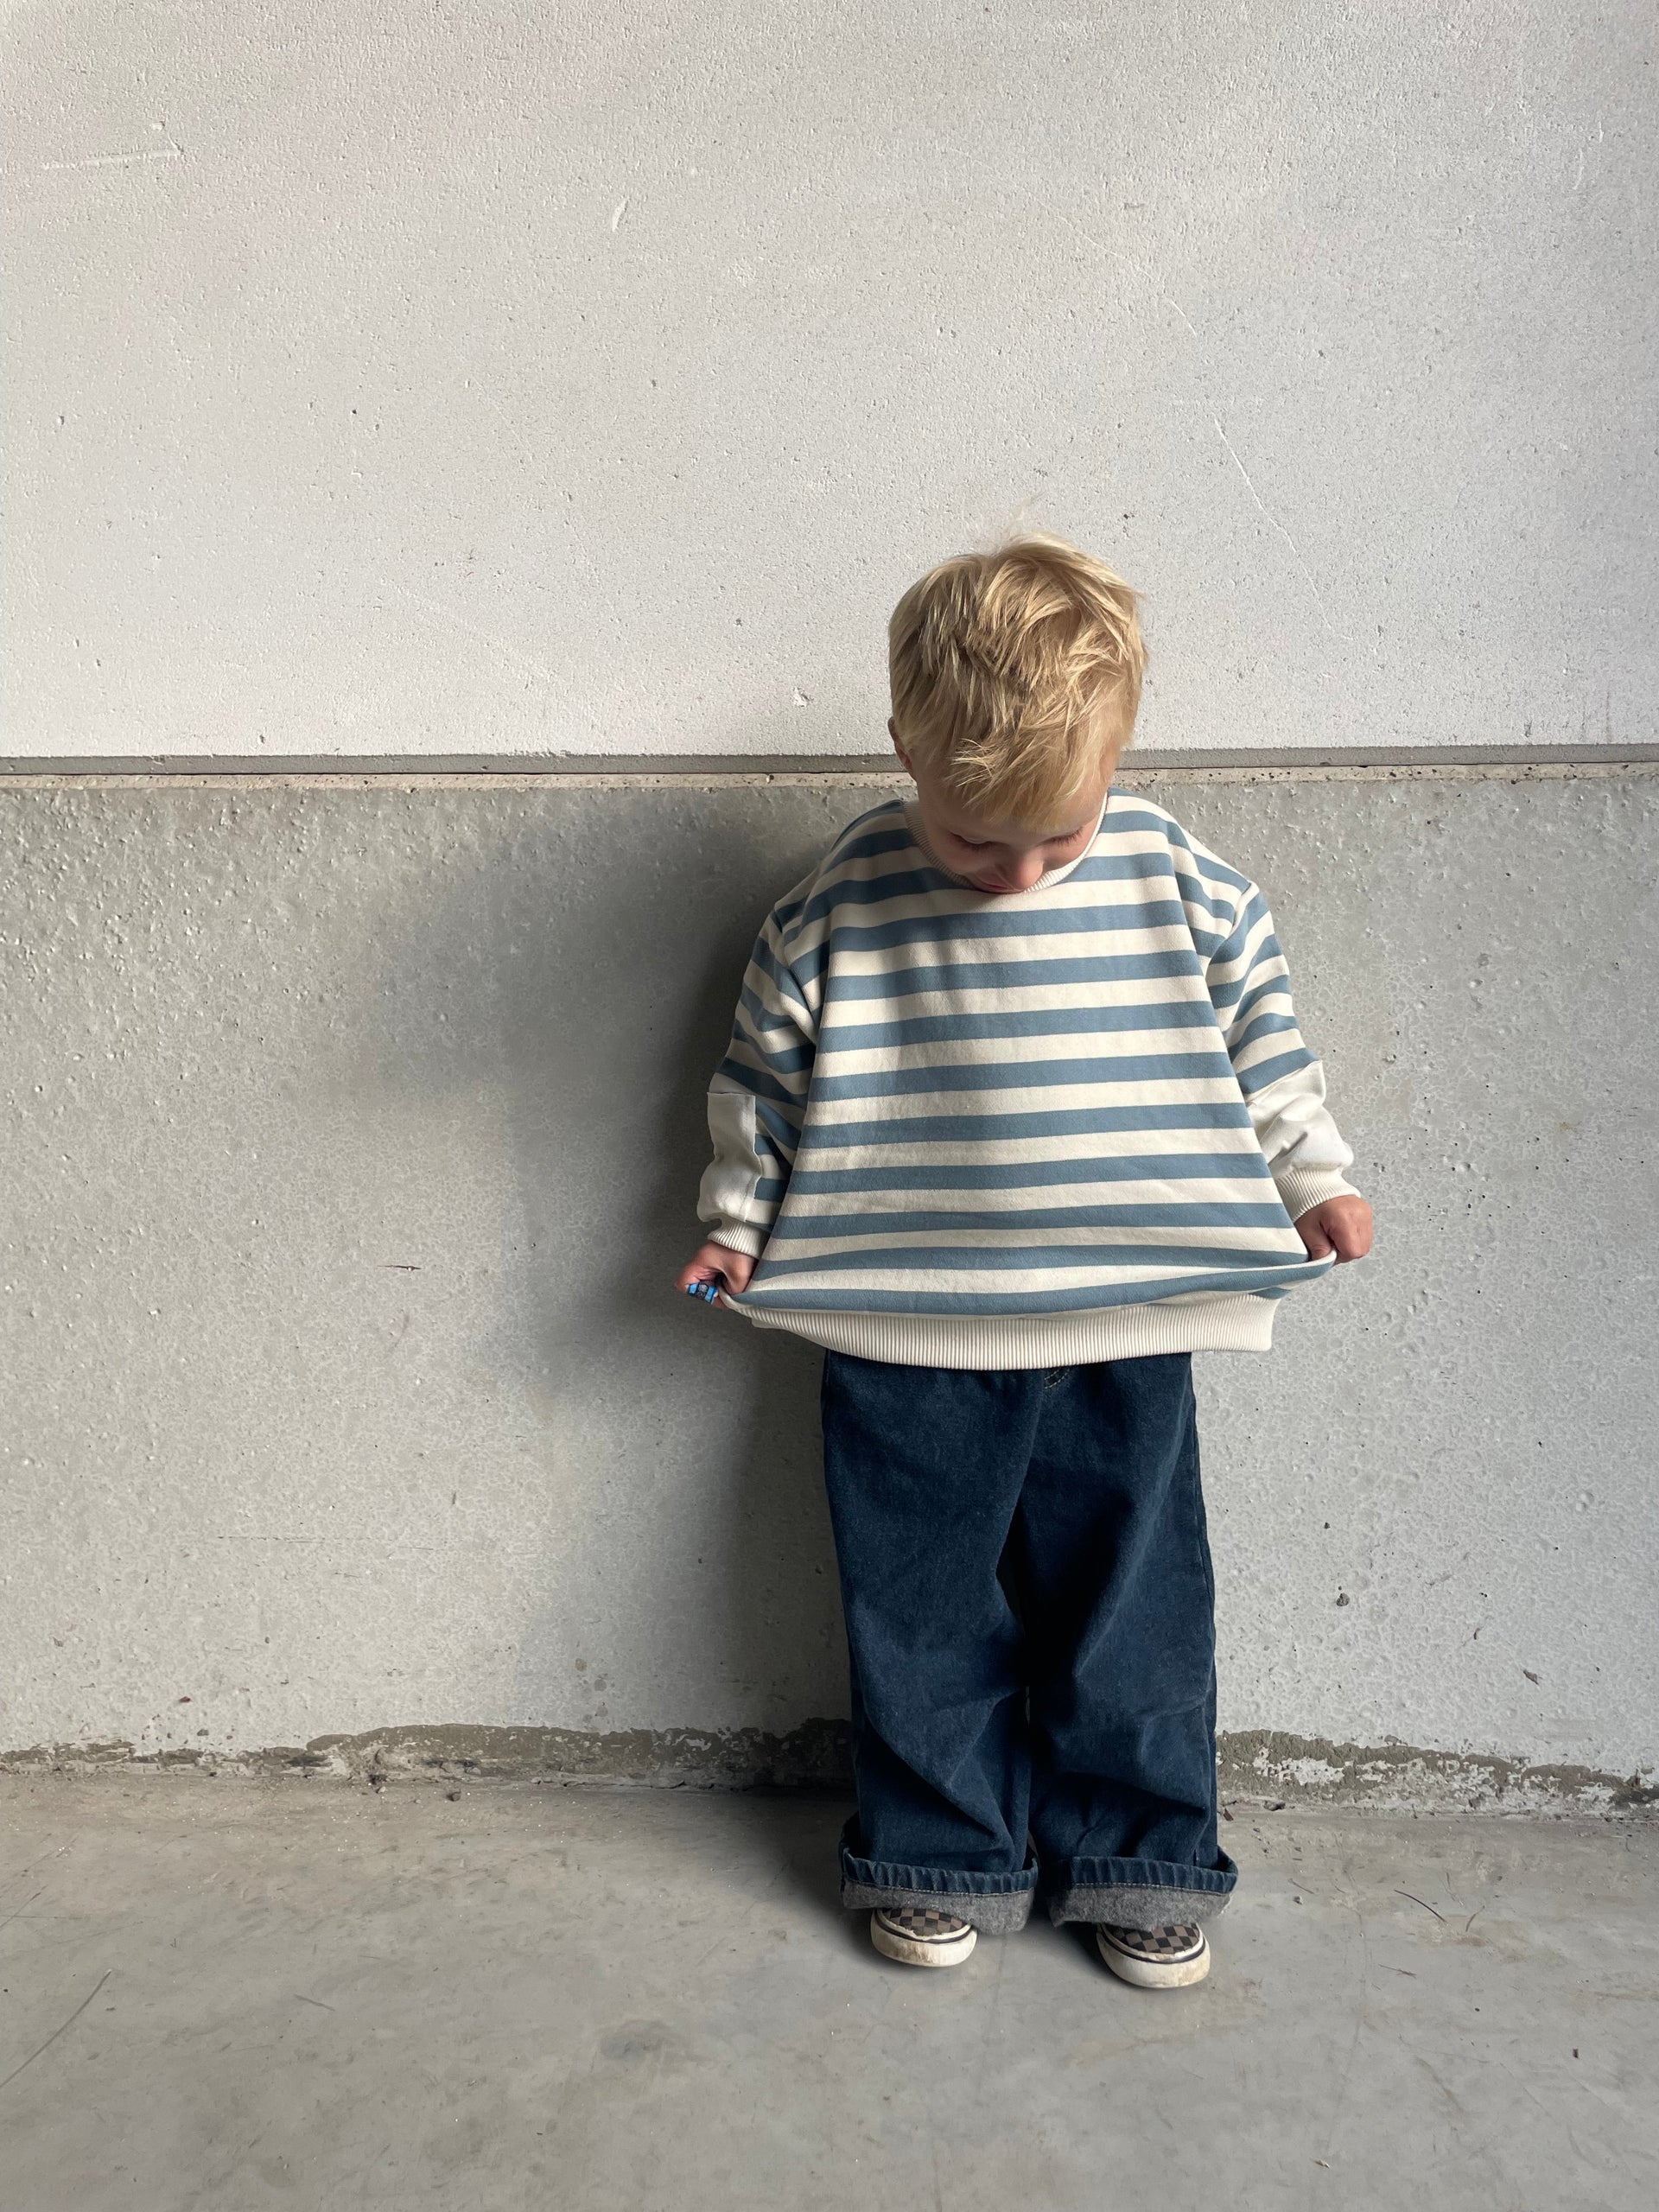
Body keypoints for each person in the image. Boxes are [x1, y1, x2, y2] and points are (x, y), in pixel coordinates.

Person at [676, 531, 1373, 1989]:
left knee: (1134, 1600)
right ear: (905, 752)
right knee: (919, 1608)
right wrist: (736, 1226)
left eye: (1059, 834)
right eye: (976, 840)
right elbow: (763, 1078)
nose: (1020, 872)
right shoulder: (840, 899)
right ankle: (939, 1850)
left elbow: (1264, 1035)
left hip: (1127, 1314)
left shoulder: (1173, 872)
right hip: (904, 1326)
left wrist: (1315, 1178)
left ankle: (1143, 1853)